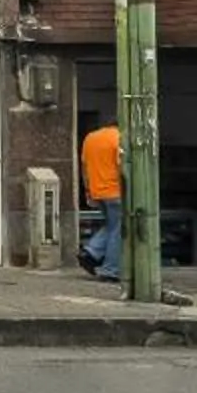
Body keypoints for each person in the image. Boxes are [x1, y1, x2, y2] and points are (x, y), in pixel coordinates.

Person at [79, 109, 124, 282]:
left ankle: (91, 252)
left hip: (98, 191)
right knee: (118, 230)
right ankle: (110, 269)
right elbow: (122, 168)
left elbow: (84, 168)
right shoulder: (119, 138)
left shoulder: (90, 138)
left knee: (112, 225)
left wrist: (88, 192)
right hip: (116, 191)